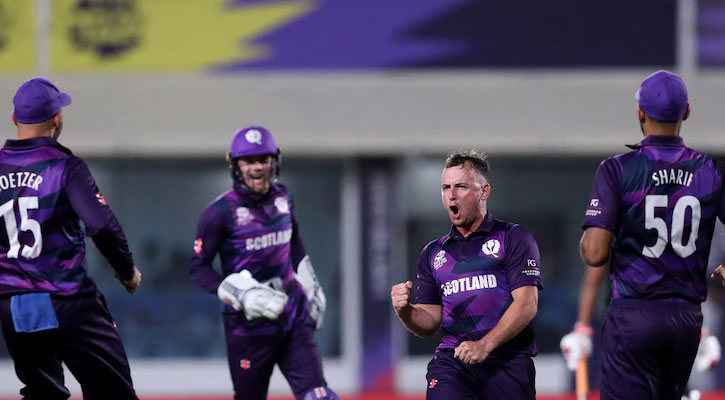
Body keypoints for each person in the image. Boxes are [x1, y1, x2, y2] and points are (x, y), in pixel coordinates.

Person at [579, 70, 725, 400]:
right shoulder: (711, 170)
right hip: (686, 319)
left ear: (640, 112)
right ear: (686, 112)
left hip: (634, 314)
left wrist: (591, 235)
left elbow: (595, 254)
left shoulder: (617, 169)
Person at [0, 77, 142, 399]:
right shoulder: (65, 166)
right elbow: (101, 226)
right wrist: (126, 271)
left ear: (14, 118)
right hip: (68, 299)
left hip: (16, 304)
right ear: (57, 118)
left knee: (43, 394)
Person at [189, 126, 337, 400]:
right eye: (248, 161)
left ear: (274, 161)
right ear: (235, 165)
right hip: (247, 330)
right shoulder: (218, 213)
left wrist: (310, 284)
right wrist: (240, 294)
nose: (257, 167)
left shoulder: (284, 197)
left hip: (293, 317)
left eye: (263, 159)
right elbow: (198, 268)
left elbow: (294, 241)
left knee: (319, 396)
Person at [390, 150, 543, 399]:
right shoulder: (433, 253)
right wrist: (405, 310)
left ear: (484, 191)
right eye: (445, 187)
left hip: (508, 363)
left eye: (460, 186)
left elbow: (527, 304)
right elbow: (429, 322)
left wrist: (485, 345)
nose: (451, 195)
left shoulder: (513, 237)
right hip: (453, 364)